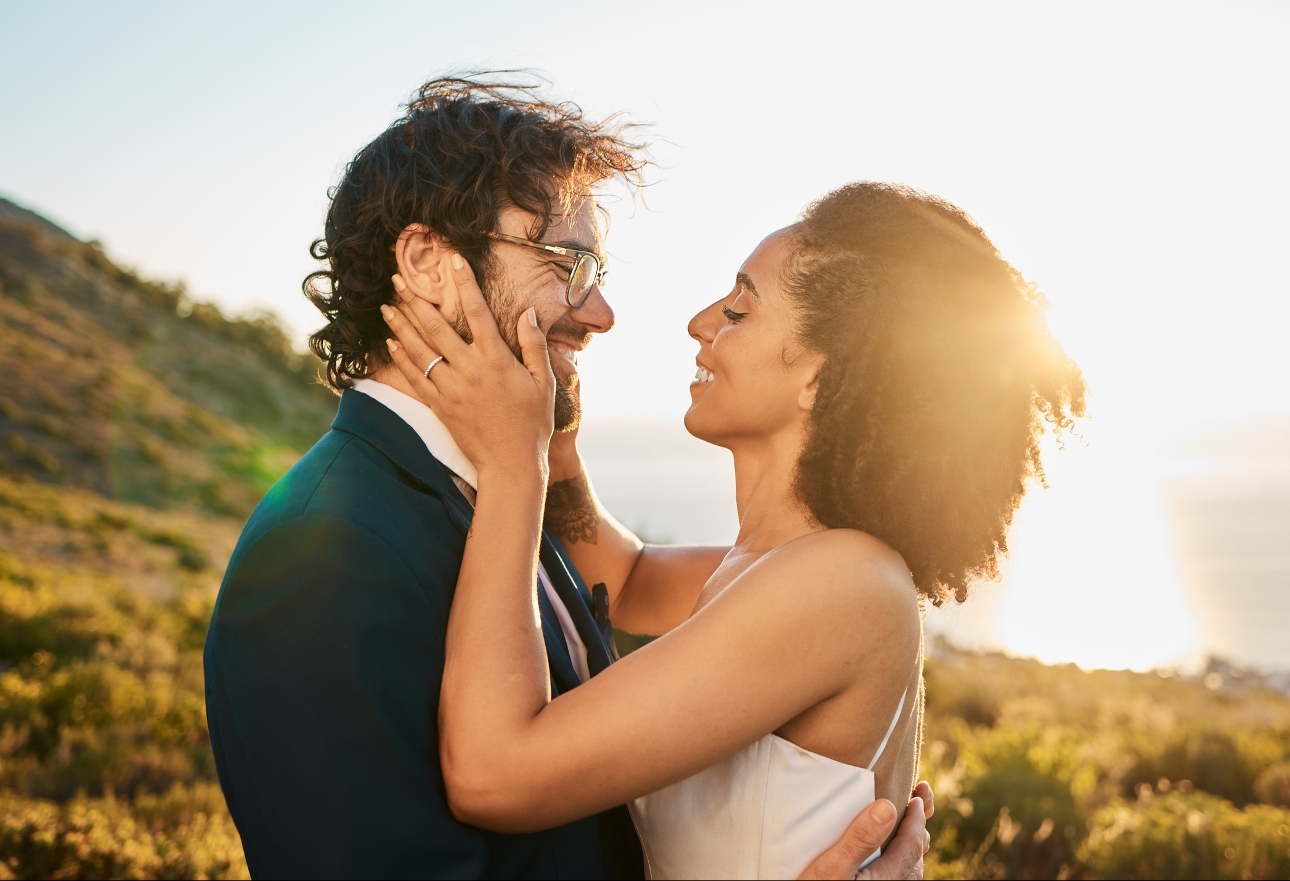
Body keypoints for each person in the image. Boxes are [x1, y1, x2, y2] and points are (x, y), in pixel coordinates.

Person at [203, 74, 933, 879]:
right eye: (569, 263)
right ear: (427, 262)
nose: (601, 312)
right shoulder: (320, 553)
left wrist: (534, 459)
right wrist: (534, 458)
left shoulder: (501, 503)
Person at [381, 181, 1086, 879]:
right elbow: (621, 580)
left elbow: (493, 773)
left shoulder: (842, 582)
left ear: (822, 376)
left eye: (740, 308)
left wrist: (513, 469)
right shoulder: (778, 566)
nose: (700, 322)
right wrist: (553, 440)